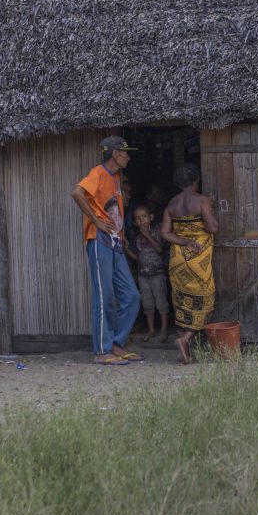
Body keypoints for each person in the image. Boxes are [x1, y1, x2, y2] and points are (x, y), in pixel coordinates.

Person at [71, 136, 142, 365]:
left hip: (115, 243)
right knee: (105, 296)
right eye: (126, 153)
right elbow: (77, 193)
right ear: (115, 154)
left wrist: (121, 237)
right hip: (99, 240)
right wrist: (96, 221)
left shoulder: (116, 178)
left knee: (131, 296)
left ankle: (116, 344)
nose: (128, 157)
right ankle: (102, 351)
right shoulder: (99, 173)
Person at [161, 163, 218, 364]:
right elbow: (211, 227)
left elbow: (165, 233)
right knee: (206, 300)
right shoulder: (202, 200)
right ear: (196, 180)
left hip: (177, 260)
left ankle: (184, 343)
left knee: (183, 302)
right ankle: (185, 339)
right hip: (198, 260)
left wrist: (184, 240)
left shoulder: (171, 204)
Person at [126, 205, 169, 342]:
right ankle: (151, 330)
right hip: (143, 276)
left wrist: (148, 235)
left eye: (144, 216)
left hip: (157, 274)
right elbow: (139, 259)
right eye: (138, 219)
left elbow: (159, 249)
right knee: (148, 304)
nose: (141, 220)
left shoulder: (156, 232)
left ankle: (164, 330)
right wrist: (126, 249)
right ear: (134, 223)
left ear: (151, 217)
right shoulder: (137, 238)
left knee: (161, 303)